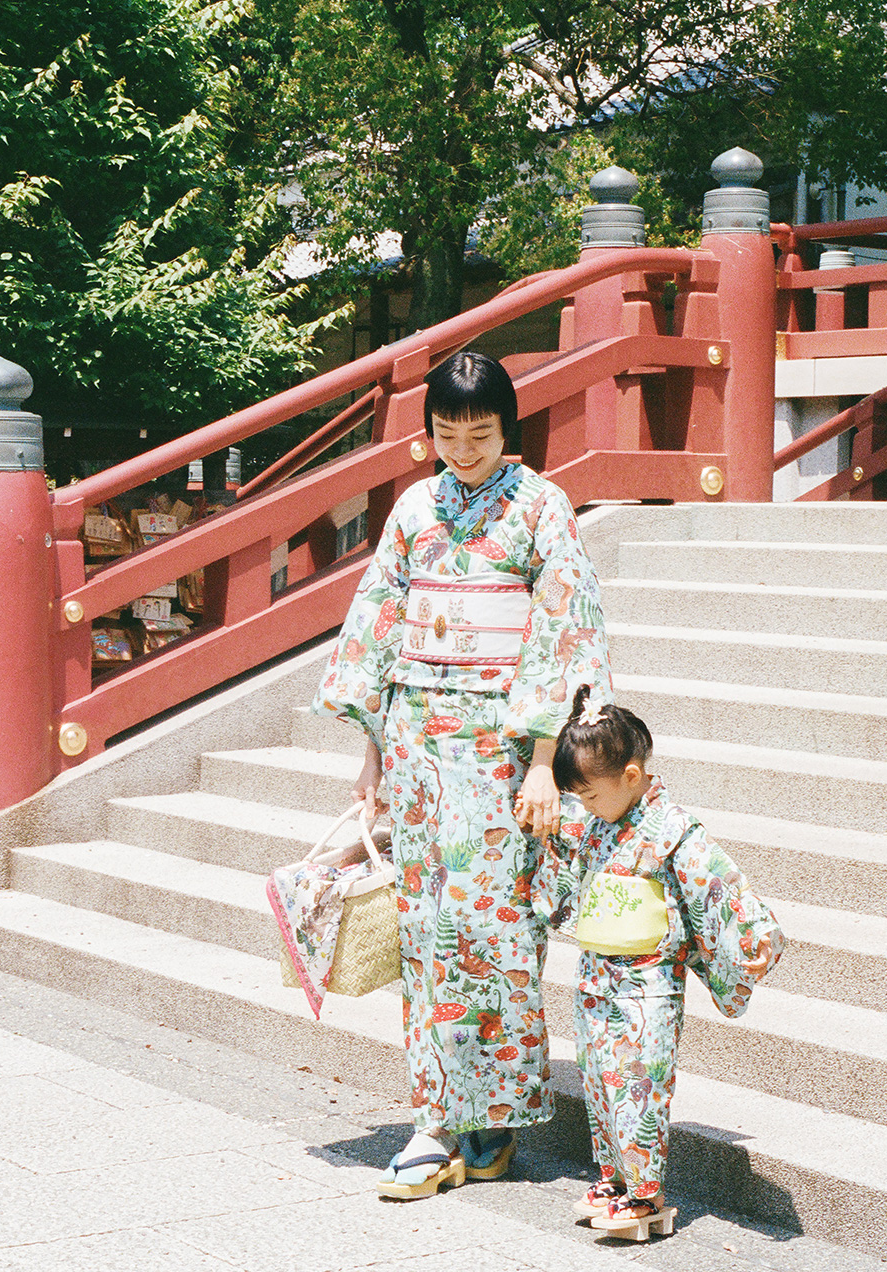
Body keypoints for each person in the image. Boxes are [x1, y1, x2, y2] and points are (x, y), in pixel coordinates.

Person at [313, 350, 613, 1200]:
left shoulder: (542, 508)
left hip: (501, 747)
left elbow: (564, 626)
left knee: (495, 933)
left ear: (508, 429)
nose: (464, 450)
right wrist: (370, 749)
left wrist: (550, 760)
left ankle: (496, 1112)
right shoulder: (416, 506)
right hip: (416, 744)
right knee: (426, 931)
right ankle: (437, 1115)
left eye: (479, 434)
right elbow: (377, 619)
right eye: (447, 434)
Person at [540, 685, 784, 1241]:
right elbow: (563, 883)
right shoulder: (595, 825)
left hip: (647, 980)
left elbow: (717, 885)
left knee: (639, 1085)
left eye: (589, 793)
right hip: (597, 974)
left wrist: (750, 937)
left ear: (631, 776)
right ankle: (614, 1180)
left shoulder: (674, 829)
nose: (584, 805)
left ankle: (647, 1195)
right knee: (602, 1080)